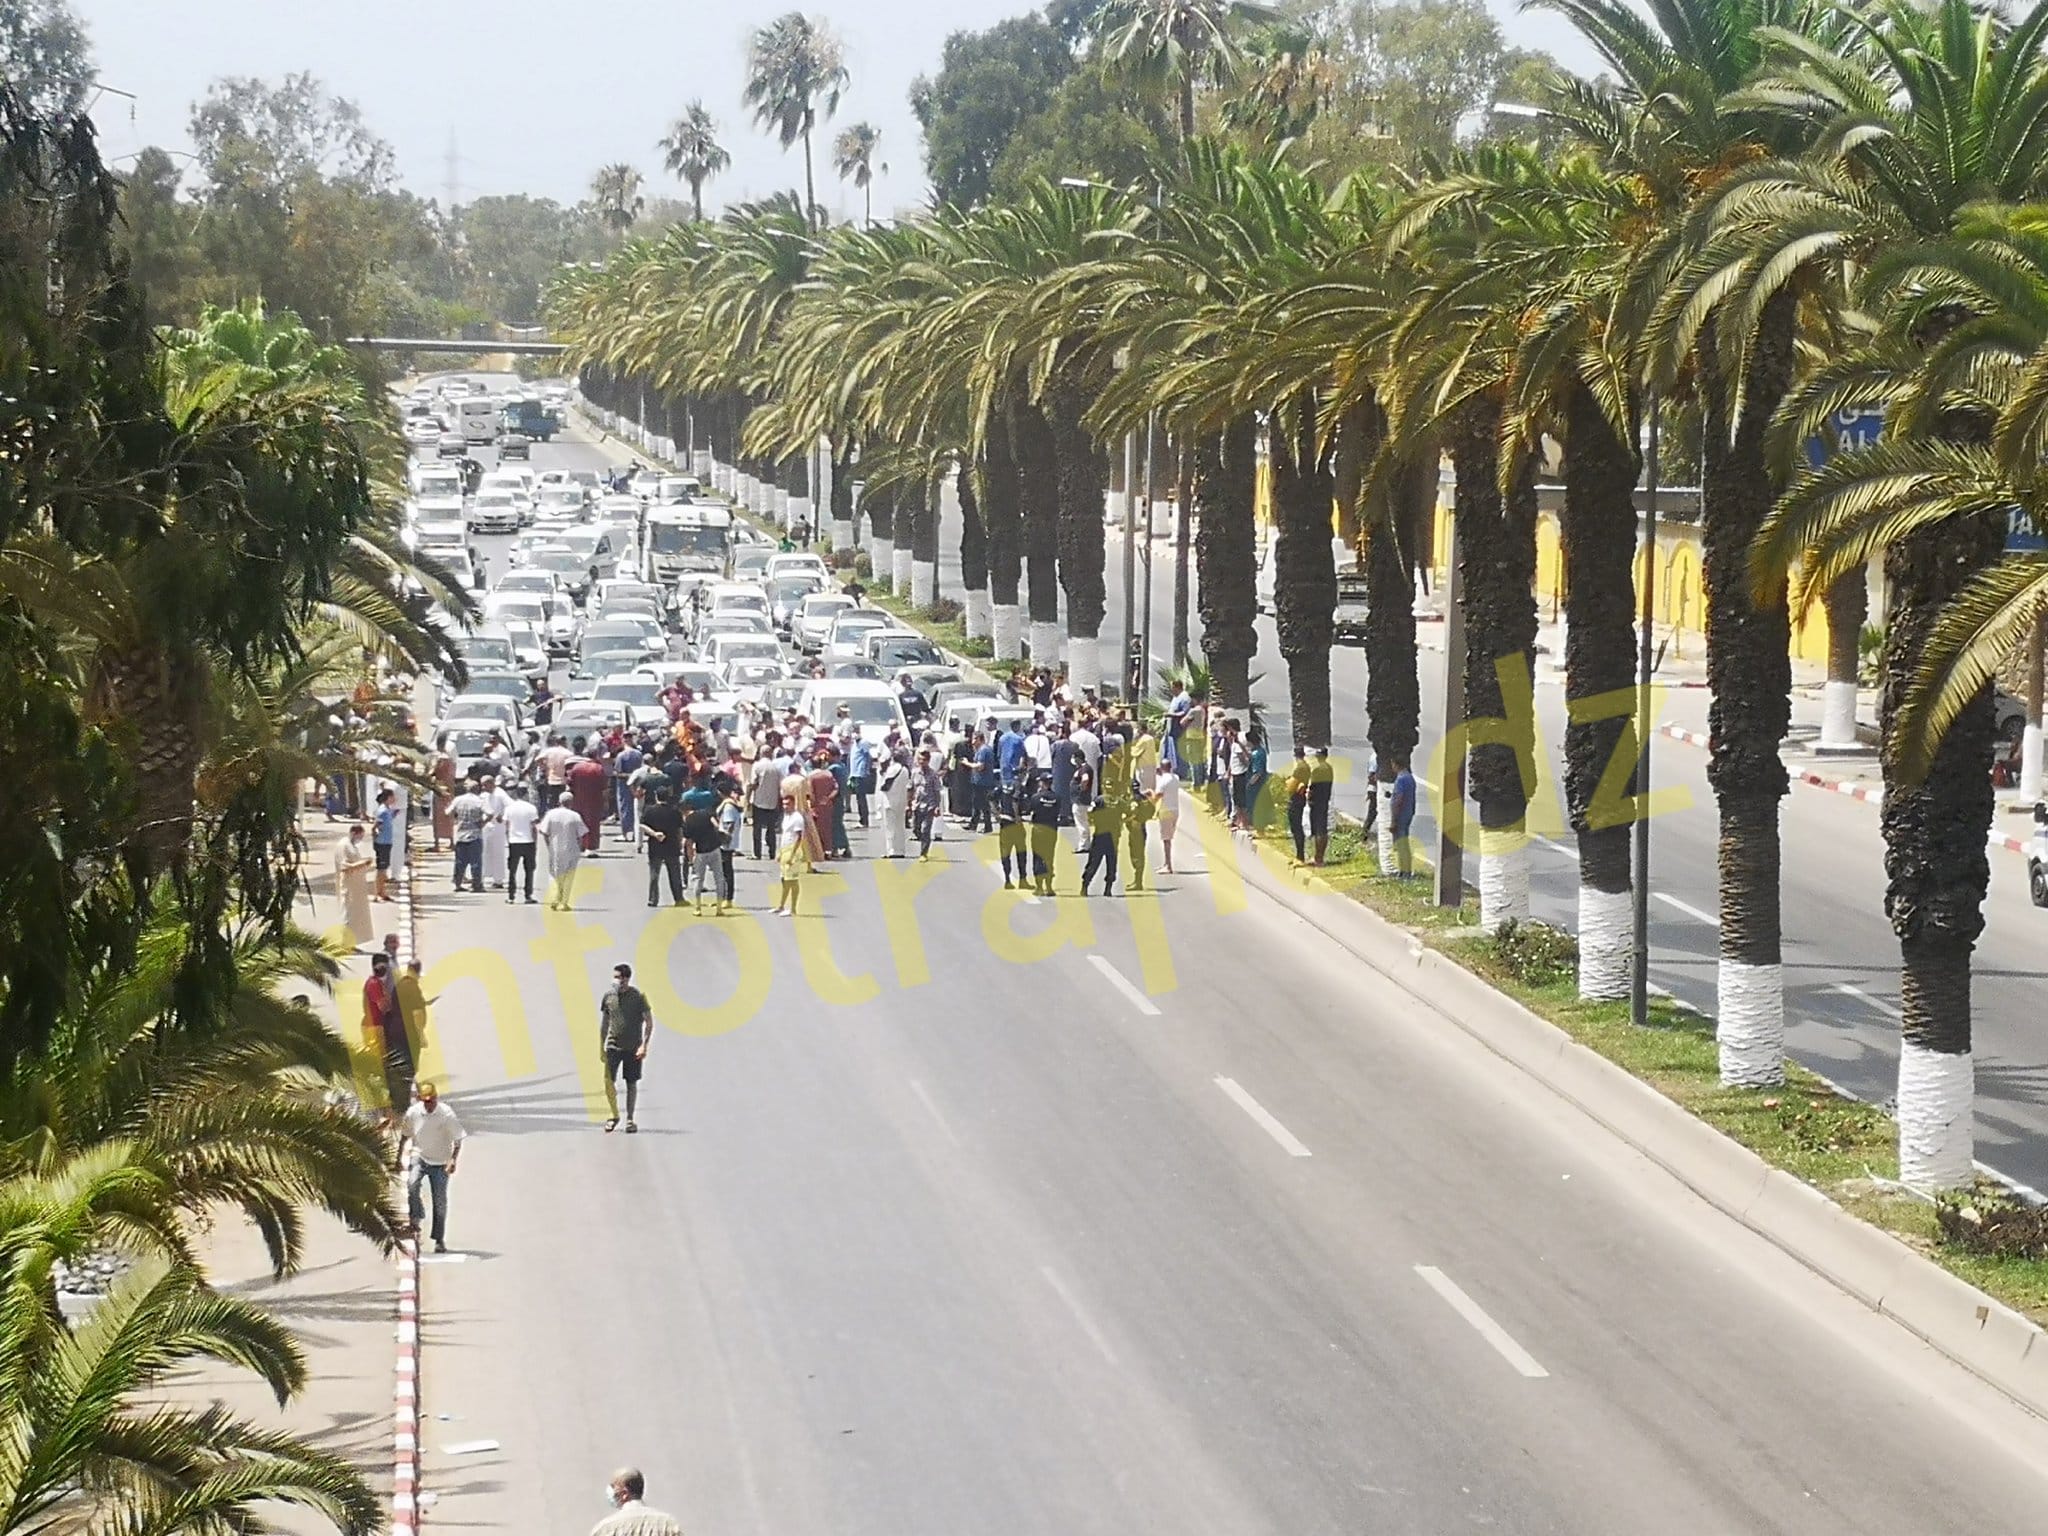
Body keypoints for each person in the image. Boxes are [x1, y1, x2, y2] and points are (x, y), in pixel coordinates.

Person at [400, 1080, 463, 1254]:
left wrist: (453, 1160)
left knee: (439, 1201)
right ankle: (416, 1217)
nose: (429, 1105)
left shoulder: (446, 1114)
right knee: (412, 1184)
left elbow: (458, 1139)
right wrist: (398, 1158)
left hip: (441, 1162)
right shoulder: (413, 1113)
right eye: (426, 1101)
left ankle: (439, 1239)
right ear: (421, 1099)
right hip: (420, 1157)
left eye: (432, 1101)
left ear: (436, 1098)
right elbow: (404, 1135)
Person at [599, 964, 653, 1133]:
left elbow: (649, 1022)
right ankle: (614, 1115)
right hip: (613, 1046)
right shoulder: (608, 997)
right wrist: (601, 1047)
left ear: (627, 979)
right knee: (608, 1081)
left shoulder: (638, 997)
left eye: (619, 977)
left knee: (631, 1083)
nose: (616, 980)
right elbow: (604, 1024)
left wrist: (644, 1046)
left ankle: (630, 1119)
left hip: (633, 1048)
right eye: (615, 977)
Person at [362, 952, 412, 1122]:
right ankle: (380, 1104)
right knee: (378, 1064)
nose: (383, 970)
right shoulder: (374, 984)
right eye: (381, 967)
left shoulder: (378, 983)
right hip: (373, 1027)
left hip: (377, 1027)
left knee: (383, 1062)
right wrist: (391, 1003)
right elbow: (384, 1006)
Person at [592, 1468, 684, 1536]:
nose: (610, 1491)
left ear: (624, 1493)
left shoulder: (605, 1529)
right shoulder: (667, 1524)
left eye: (613, 1487)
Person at [682, 793, 729, 911]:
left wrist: (691, 859)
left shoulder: (687, 822)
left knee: (699, 879)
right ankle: (719, 908)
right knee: (719, 878)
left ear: (684, 812)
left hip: (701, 852)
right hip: (714, 848)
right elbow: (715, 824)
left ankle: (697, 907)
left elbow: (689, 843)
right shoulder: (705, 813)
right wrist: (720, 833)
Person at [540, 798, 588, 910]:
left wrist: (549, 846)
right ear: (571, 802)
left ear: (559, 802)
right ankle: (564, 903)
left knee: (554, 874)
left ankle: (555, 899)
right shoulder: (575, 816)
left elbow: (544, 832)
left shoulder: (551, 814)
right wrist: (580, 848)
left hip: (555, 849)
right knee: (568, 876)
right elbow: (581, 835)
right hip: (571, 849)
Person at [641, 785, 684, 906]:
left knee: (654, 874)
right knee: (675, 874)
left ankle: (653, 899)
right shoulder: (675, 811)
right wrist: (680, 843)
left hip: (655, 845)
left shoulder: (649, 810)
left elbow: (642, 825)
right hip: (672, 844)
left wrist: (654, 834)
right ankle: (678, 898)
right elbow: (679, 829)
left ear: (656, 796)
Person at [332, 825, 375, 944]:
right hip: (349, 884)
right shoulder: (344, 845)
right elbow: (345, 867)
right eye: (359, 836)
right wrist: (363, 863)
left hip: (356, 885)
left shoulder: (351, 845)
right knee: (349, 913)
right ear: (353, 833)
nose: (360, 839)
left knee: (356, 914)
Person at [773, 788, 811, 915]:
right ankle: (781, 905)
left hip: (793, 850)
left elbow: (799, 837)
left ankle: (793, 908)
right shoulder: (786, 816)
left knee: (792, 880)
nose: (785, 807)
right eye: (784, 804)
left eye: (788, 804)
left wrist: (792, 855)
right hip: (785, 849)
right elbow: (784, 834)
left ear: (793, 804)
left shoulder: (797, 818)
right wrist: (780, 852)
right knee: (784, 879)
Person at [501, 783, 540, 903]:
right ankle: (528, 895)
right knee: (529, 870)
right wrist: (535, 842)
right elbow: (533, 827)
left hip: (514, 841)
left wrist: (508, 839)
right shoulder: (531, 808)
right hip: (528, 841)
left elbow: (507, 825)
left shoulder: (509, 808)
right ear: (526, 794)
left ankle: (511, 896)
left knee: (512, 870)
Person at [1026, 772, 1063, 897]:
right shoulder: (1057, 797)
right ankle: (1049, 887)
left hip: (1038, 830)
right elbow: (1057, 811)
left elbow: (1029, 810)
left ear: (1042, 783)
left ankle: (1039, 887)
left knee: (1038, 858)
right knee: (1049, 857)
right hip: (1051, 830)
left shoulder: (1036, 797)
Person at [567, 744, 608, 852]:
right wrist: (606, 801)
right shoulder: (598, 768)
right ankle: (591, 846)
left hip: (579, 799)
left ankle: (580, 844)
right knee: (593, 824)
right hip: (595, 799)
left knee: (580, 821)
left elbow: (570, 783)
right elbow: (604, 786)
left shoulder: (577, 767)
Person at [1079, 794, 1122, 896]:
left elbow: (1090, 812)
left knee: (1095, 862)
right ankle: (1107, 889)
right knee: (1110, 863)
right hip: (1112, 835)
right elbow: (1130, 812)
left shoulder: (1099, 800)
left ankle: (1086, 886)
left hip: (1101, 834)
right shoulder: (1118, 800)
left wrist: (1095, 820)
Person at [749, 740, 785, 857]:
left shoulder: (757, 766)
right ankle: (772, 852)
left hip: (759, 800)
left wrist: (749, 797)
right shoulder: (776, 768)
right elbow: (780, 784)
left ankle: (757, 853)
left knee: (757, 828)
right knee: (771, 828)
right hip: (772, 801)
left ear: (761, 753)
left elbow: (753, 782)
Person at [448, 782, 487, 893]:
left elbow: (448, 812)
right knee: (476, 861)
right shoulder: (479, 801)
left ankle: (457, 883)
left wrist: (457, 820)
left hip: (461, 834)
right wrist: (482, 823)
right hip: (475, 834)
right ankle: (476, 885)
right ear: (477, 789)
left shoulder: (458, 800)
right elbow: (490, 813)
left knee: (460, 861)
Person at [994, 776, 1029, 889]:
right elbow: (1015, 800)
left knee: (1005, 853)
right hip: (1015, 823)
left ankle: (1007, 880)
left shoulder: (1003, 784)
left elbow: (990, 797)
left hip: (1004, 822)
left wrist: (996, 813)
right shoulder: (1019, 786)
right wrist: (1017, 816)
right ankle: (1022, 880)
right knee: (1021, 853)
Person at [875, 748, 909, 858]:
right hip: (901, 801)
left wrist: (882, 772)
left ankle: (891, 850)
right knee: (900, 826)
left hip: (890, 801)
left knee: (890, 827)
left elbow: (883, 785)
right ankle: (900, 850)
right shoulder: (905, 770)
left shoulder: (892, 769)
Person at [911, 748, 944, 860]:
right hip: (917, 805)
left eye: (924, 760)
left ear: (928, 761)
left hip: (929, 806)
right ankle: (923, 840)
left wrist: (937, 807)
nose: (922, 762)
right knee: (915, 828)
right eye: (920, 759)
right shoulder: (914, 773)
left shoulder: (933, 775)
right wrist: (908, 804)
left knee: (926, 830)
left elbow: (937, 791)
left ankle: (923, 853)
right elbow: (910, 788)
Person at [479, 774, 510, 890]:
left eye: (485, 785)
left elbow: (510, 806)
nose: (483, 787)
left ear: (491, 783)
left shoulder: (500, 794)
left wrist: (502, 815)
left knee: (497, 852)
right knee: (484, 852)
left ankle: (498, 880)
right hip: (486, 825)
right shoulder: (484, 795)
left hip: (497, 826)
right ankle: (482, 877)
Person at [1285, 744, 1313, 864]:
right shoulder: (1305, 766)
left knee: (1296, 827)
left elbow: (1290, 786)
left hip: (1296, 799)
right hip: (1299, 798)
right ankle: (1299, 854)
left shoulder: (1300, 768)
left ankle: (1300, 856)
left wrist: (1287, 782)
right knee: (1296, 827)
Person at [1308, 745, 1336, 866]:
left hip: (1317, 802)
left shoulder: (1317, 770)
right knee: (1322, 829)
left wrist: (1309, 798)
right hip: (1324, 801)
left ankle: (1318, 858)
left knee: (1318, 830)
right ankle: (1320, 856)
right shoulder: (1329, 768)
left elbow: (1312, 788)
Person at [1390, 756, 1418, 878]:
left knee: (1401, 844)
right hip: (1408, 814)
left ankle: (1405, 872)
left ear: (1396, 764)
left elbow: (1398, 800)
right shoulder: (1410, 778)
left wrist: (1393, 820)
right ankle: (1404, 870)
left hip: (1400, 816)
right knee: (1404, 843)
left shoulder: (1400, 779)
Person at [1124, 790, 1156, 892]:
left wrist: (1125, 820)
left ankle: (1138, 882)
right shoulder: (1144, 798)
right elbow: (1152, 811)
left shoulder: (1134, 800)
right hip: (1142, 828)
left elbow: (1133, 813)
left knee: (1137, 856)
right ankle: (1137, 881)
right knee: (1139, 855)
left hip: (1136, 830)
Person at [372, 788, 399, 902]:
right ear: (388, 797)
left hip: (387, 842)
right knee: (381, 869)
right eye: (393, 797)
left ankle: (383, 891)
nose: (394, 799)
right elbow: (375, 826)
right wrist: (376, 839)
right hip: (382, 843)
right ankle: (378, 893)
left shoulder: (388, 810)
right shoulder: (382, 811)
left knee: (384, 868)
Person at [1154, 763, 1181, 875]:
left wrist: (1148, 794)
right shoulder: (1176, 778)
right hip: (1175, 810)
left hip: (1165, 811)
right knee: (1168, 838)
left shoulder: (1162, 781)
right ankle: (1166, 863)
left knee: (1166, 840)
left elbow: (1157, 796)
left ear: (1161, 768)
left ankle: (1168, 865)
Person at [847, 732, 875, 827]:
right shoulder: (854, 744)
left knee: (861, 797)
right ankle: (862, 819)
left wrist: (866, 770)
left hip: (860, 773)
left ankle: (864, 820)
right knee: (858, 797)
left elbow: (868, 757)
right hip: (854, 774)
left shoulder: (863, 743)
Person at [538, 734, 572, 810]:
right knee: (562, 801)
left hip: (551, 780)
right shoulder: (568, 753)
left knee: (551, 801)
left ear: (556, 742)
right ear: (564, 742)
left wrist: (544, 768)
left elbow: (538, 759)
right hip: (562, 781)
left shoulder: (549, 751)